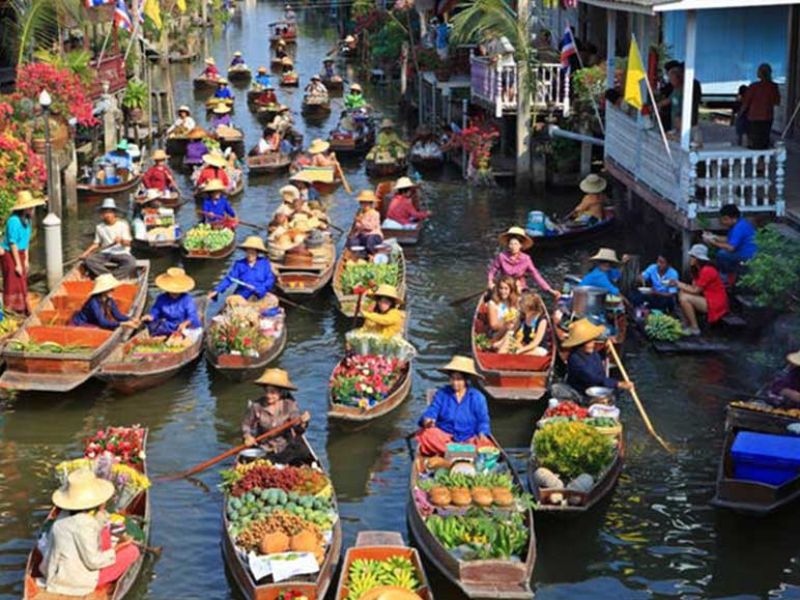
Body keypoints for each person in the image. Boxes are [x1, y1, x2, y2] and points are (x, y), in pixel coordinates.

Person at [40, 469, 140, 596]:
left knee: (104, 533)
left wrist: (102, 517)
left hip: (56, 572)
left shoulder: (62, 517)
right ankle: (104, 585)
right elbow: (93, 562)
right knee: (132, 551)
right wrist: (119, 547)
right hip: (76, 582)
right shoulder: (85, 525)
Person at [416, 356, 494, 456]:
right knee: (426, 434)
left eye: (459, 379)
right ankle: (461, 452)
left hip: (469, 438)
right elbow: (432, 410)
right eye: (452, 379)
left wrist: (482, 433)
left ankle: (455, 452)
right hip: (445, 437)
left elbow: (483, 420)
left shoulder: (477, 397)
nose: (455, 383)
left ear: (466, 380)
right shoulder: (442, 394)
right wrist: (428, 419)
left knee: (486, 446)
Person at [241, 368, 310, 461]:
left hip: (285, 448)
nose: (268, 395)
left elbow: (298, 429)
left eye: (273, 392)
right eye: (267, 391)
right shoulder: (256, 406)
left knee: (303, 453)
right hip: (264, 448)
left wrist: (303, 421)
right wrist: (247, 436)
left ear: (281, 393)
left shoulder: (289, 405)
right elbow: (246, 425)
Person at [562, 318, 633, 396]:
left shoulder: (591, 352)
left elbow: (598, 360)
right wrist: (617, 384)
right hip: (582, 393)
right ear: (581, 345)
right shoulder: (574, 359)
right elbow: (592, 377)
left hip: (597, 388)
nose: (593, 343)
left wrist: (606, 350)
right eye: (590, 341)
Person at [2, 191, 44, 314]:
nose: (32, 209)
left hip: (20, 252)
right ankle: (11, 308)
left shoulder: (28, 220)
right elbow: (12, 243)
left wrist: (25, 259)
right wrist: (18, 264)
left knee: (22, 280)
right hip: (10, 254)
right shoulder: (13, 221)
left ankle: (21, 307)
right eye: (30, 207)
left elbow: (25, 242)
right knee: (12, 281)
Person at [487, 226, 560, 298]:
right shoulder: (501, 256)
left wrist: (549, 290)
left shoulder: (526, 259)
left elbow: (536, 275)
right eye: (511, 244)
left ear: (520, 245)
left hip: (520, 288)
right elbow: (492, 271)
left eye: (515, 244)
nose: (513, 246)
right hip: (504, 287)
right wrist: (490, 282)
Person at [673, 243, 728, 336]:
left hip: (715, 303)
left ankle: (695, 328)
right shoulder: (698, 270)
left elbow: (695, 290)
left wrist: (678, 284)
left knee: (684, 298)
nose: (691, 259)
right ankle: (687, 323)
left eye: (692, 257)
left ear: (698, 259)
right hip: (707, 298)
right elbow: (692, 287)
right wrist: (680, 286)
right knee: (682, 293)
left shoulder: (708, 270)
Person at [80, 198, 137, 279]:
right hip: (105, 253)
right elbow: (96, 243)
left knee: (131, 263)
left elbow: (129, 243)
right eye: (105, 212)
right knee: (89, 260)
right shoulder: (99, 227)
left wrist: (121, 241)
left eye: (109, 212)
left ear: (114, 213)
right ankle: (109, 277)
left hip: (121, 253)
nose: (107, 215)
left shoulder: (123, 224)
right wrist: (85, 253)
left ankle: (113, 278)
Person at [140, 268, 202, 339]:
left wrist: (185, 324)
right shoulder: (161, 298)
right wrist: (150, 316)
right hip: (169, 326)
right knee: (151, 326)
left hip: (187, 328)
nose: (174, 293)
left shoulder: (187, 299)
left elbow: (192, 316)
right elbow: (155, 311)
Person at [209, 236, 275, 301]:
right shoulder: (240, 264)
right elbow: (230, 279)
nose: (250, 255)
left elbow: (270, 279)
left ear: (257, 253)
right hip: (242, 295)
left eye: (252, 252)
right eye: (248, 252)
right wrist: (217, 290)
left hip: (260, 295)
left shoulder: (264, 263)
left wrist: (260, 288)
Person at [704, 204, 757, 279]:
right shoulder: (739, 223)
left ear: (734, 218)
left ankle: (725, 276)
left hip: (747, 256)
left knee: (722, 254)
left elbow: (731, 248)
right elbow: (729, 239)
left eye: (725, 219)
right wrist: (713, 236)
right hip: (742, 252)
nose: (723, 222)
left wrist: (713, 243)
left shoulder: (738, 228)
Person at [741, 63, 780, 150]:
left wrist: (740, 113)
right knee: (764, 139)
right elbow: (777, 101)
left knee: (754, 140)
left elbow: (746, 103)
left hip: (754, 117)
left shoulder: (753, 86)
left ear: (760, 73)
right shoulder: (773, 86)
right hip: (768, 117)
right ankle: (763, 158)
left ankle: (757, 158)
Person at [486, 276, 519, 348]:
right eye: (501, 288)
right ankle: (496, 344)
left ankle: (501, 345)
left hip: (513, 330)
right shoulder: (492, 304)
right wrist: (506, 323)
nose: (503, 291)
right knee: (510, 331)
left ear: (511, 290)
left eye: (506, 289)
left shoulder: (515, 302)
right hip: (497, 333)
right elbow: (493, 325)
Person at [347, 190, 384, 254]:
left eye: (366, 203)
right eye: (362, 202)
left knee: (370, 241)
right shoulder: (360, 213)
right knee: (352, 242)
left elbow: (370, 227)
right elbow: (357, 226)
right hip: (362, 235)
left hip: (373, 235)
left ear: (370, 203)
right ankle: (361, 254)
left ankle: (373, 254)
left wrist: (361, 220)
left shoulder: (375, 213)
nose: (364, 205)